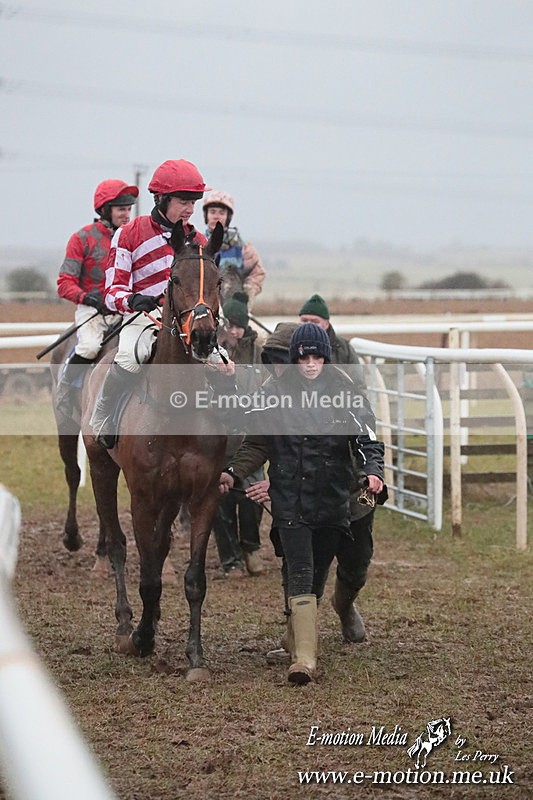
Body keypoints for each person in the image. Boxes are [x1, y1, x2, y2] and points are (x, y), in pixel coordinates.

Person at [219, 323, 385, 685]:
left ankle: (334, 612)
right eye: (302, 357)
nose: (309, 364)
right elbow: (254, 438)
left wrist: (373, 471)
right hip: (291, 501)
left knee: (333, 569)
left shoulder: (345, 392)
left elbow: (367, 439)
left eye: (316, 357)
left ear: (325, 358)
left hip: (338, 499)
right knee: (299, 571)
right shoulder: (272, 394)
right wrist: (232, 472)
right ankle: (304, 660)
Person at [90, 159, 210, 449]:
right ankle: (103, 416)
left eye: (193, 203)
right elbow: (111, 292)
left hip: (188, 318)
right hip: (144, 316)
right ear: (162, 199)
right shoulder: (129, 233)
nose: (190, 210)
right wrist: (132, 299)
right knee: (130, 357)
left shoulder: (199, 240)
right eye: (183, 202)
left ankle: (233, 426)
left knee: (222, 361)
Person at [55, 179, 139, 413]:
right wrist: (89, 299)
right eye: (121, 209)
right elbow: (64, 284)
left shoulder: (133, 238)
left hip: (125, 308)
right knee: (90, 347)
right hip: (92, 310)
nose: (127, 215)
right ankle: (65, 388)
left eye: (129, 209)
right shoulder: (81, 238)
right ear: (104, 210)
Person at [213, 291, 265, 578]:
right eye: (230, 325)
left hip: (249, 438)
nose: (234, 331)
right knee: (220, 502)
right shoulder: (211, 352)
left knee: (251, 498)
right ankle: (230, 559)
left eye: (239, 326)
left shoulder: (260, 352)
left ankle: (251, 548)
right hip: (218, 440)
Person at [202, 190, 265, 305]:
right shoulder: (198, 245)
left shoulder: (243, 248)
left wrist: (246, 294)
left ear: (228, 217)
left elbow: (257, 274)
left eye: (221, 213)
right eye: (212, 212)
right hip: (205, 305)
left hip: (233, 305)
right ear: (206, 215)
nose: (216, 216)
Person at [299, 293, 359, 365]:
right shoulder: (290, 346)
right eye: (304, 320)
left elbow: (355, 372)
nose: (308, 325)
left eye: (315, 322)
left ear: (326, 324)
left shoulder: (344, 349)